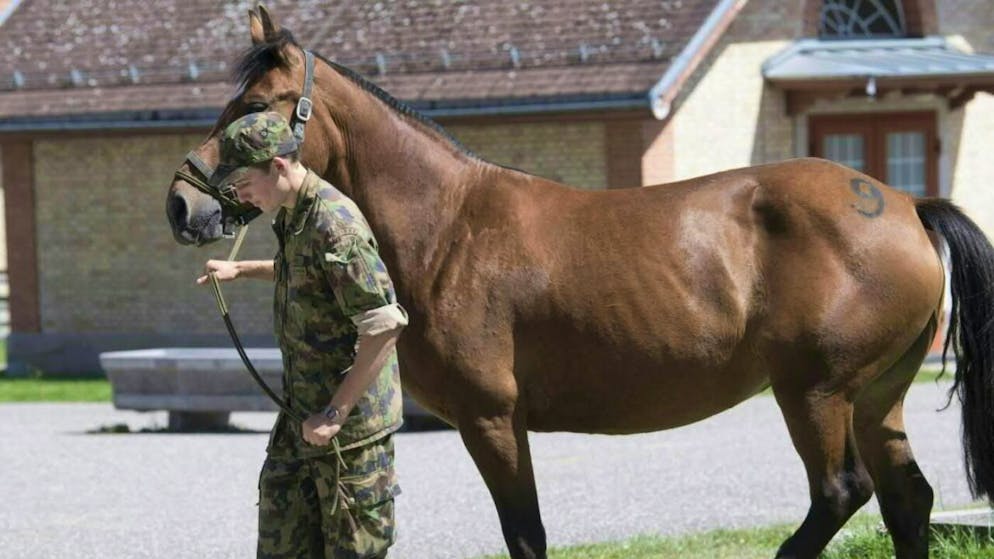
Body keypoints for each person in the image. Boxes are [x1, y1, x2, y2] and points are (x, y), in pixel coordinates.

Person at [196, 111, 407, 558]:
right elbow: (307, 273)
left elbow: (384, 325)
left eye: (243, 181)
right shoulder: (293, 214)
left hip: (348, 430)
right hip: (300, 415)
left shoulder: (336, 224)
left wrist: (334, 414)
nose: (238, 193)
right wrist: (239, 269)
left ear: (278, 165)